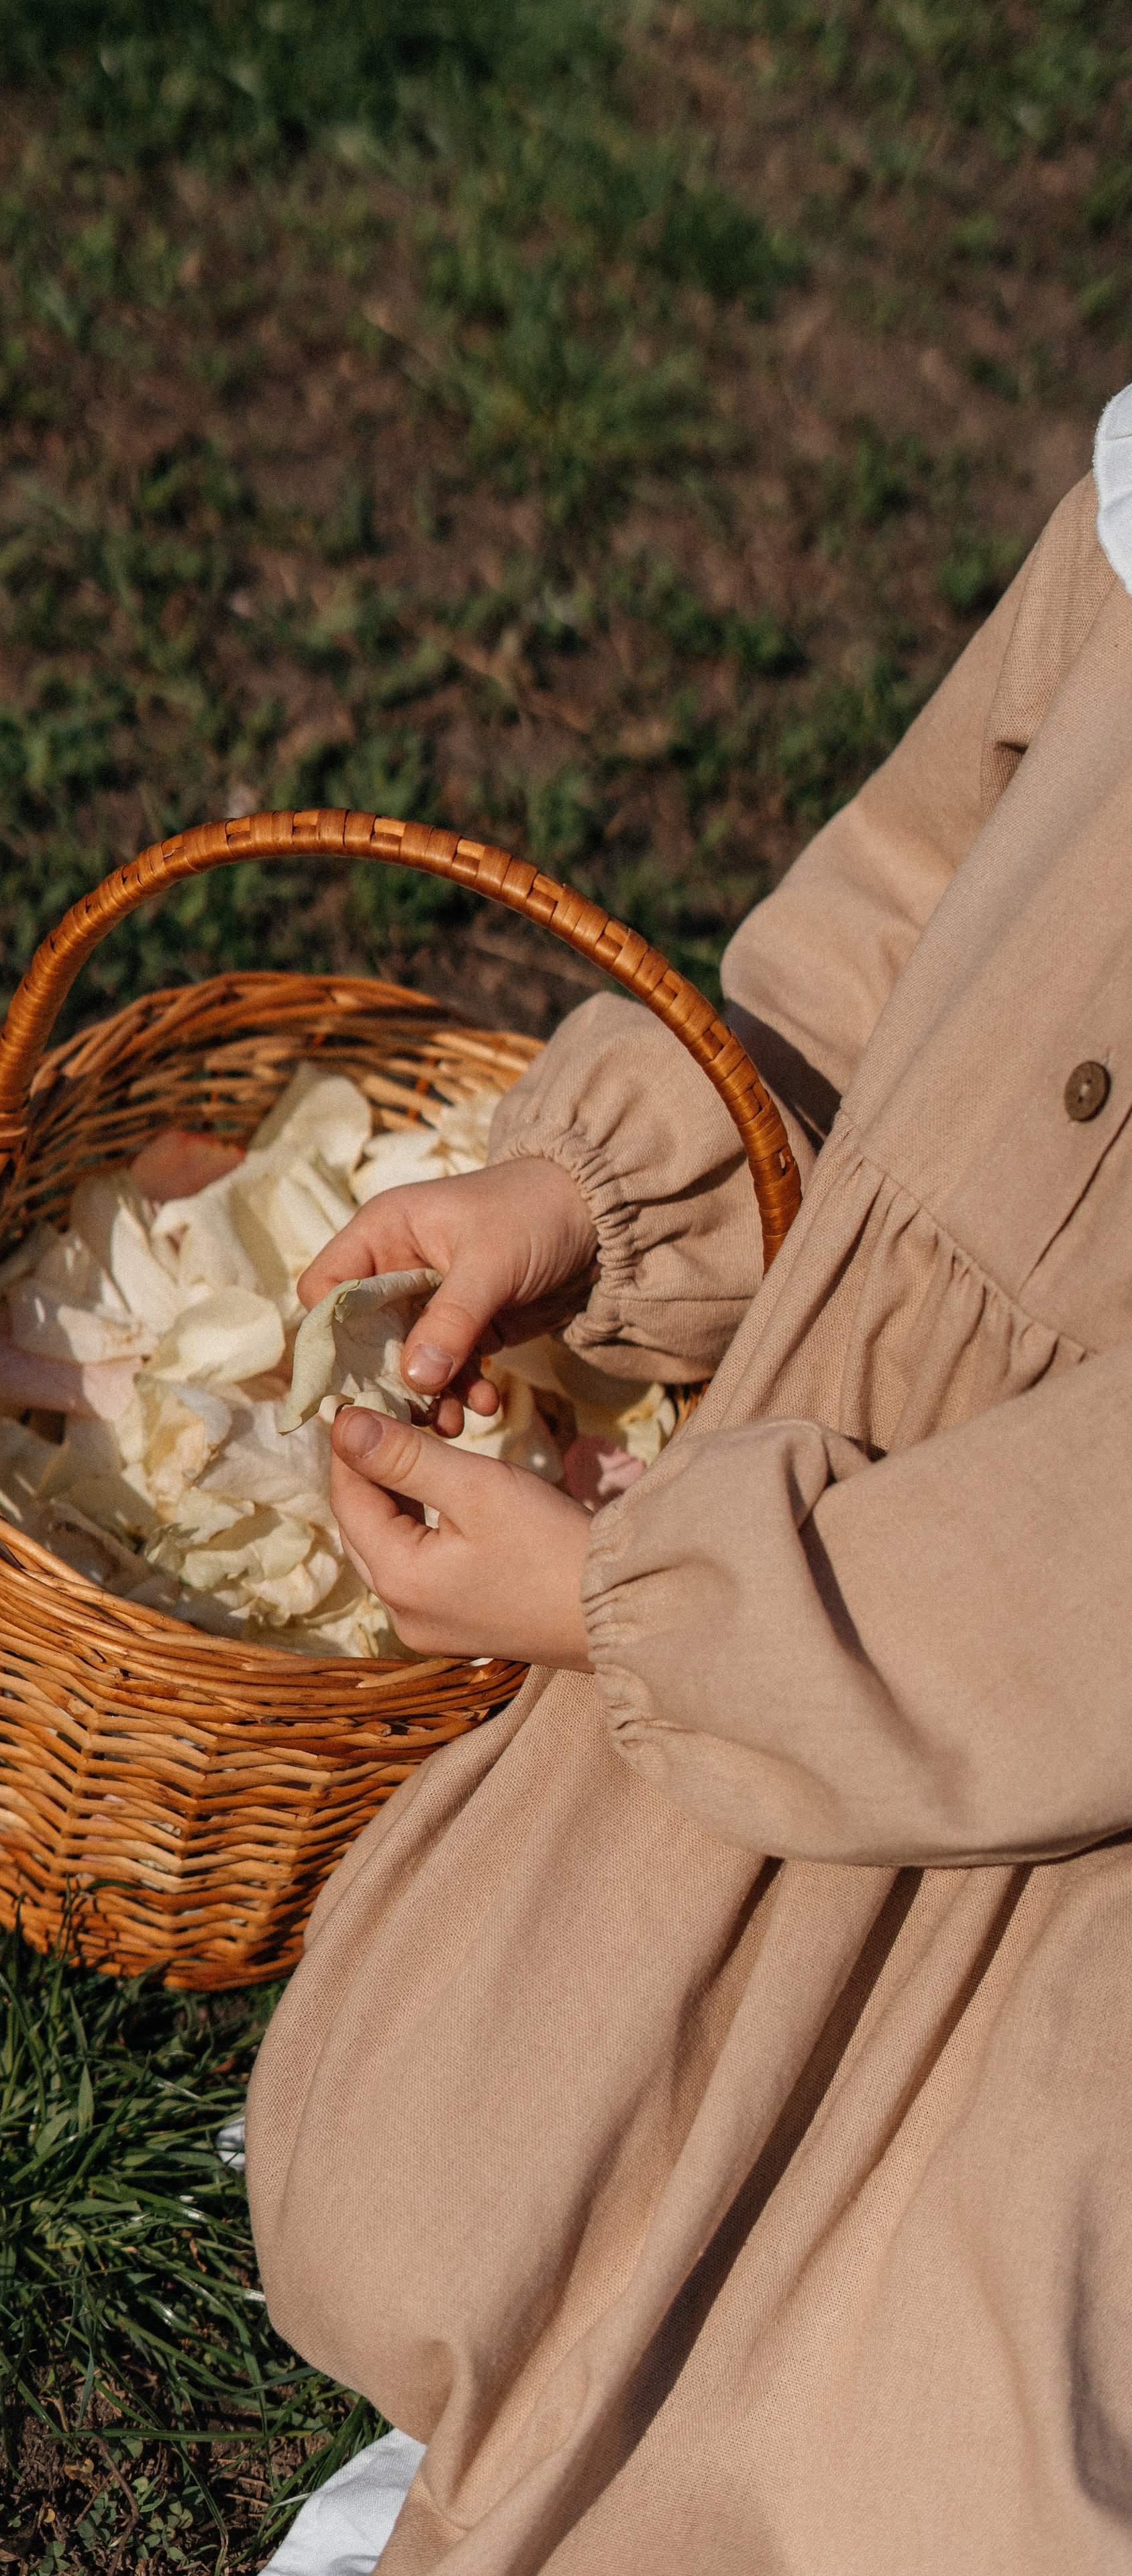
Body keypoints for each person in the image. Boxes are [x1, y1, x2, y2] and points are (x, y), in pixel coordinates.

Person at [244, 393, 1132, 2575]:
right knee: (413, 2193)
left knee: (955, 2450)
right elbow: (910, 901)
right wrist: (613, 1197)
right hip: (846, 1474)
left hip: (1048, 1671)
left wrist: (650, 1597)